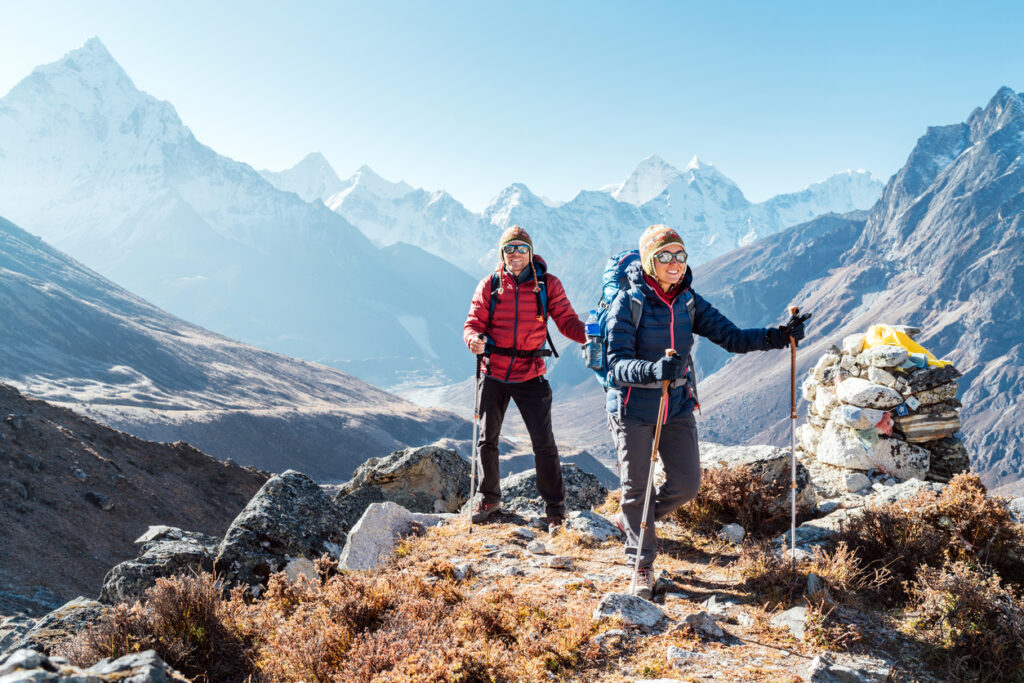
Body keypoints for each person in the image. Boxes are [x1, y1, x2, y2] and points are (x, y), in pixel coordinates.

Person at [606, 224, 809, 598]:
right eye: (665, 256)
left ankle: (634, 521)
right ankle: (641, 565)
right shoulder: (628, 303)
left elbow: (731, 337)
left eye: (680, 255)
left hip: (677, 405)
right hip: (635, 409)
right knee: (638, 489)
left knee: (687, 484)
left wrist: (778, 336)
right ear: (650, 261)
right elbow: (615, 364)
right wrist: (652, 371)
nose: (675, 263)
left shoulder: (688, 301)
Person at [464, 225, 586, 532]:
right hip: (493, 371)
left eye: (521, 248)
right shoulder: (490, 285)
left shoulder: (547, 284)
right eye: (509, 249)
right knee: (486, 440)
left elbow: (567, 321)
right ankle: (489, 498)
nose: (515, 254)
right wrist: (473, 339)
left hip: (531, 373)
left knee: (544, 443)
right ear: (502, 254)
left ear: (530, 253)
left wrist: (591, 335)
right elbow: (473, 322)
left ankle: (555, 508)